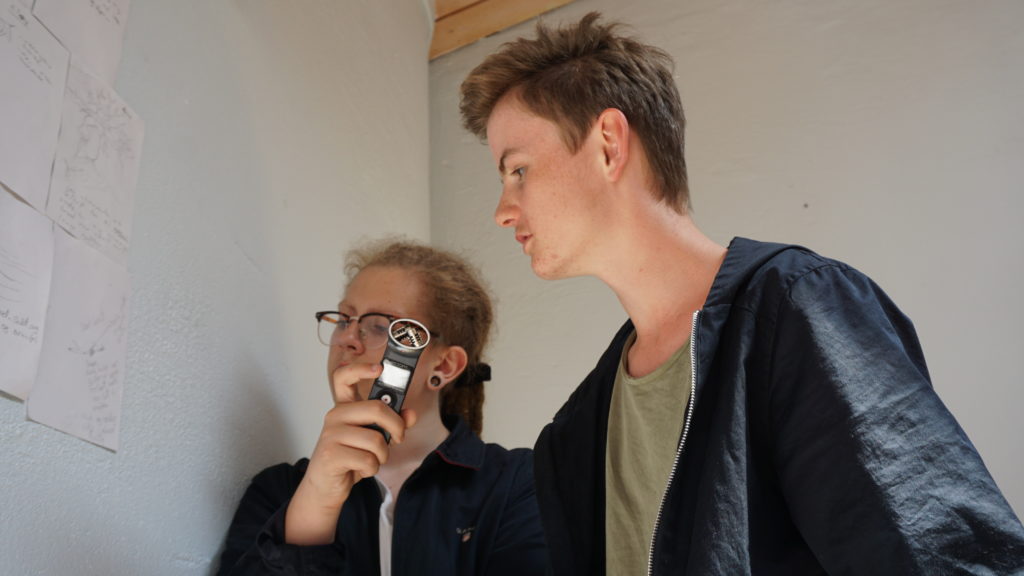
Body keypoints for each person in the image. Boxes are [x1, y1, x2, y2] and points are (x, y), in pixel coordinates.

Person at [459, 12, 1024, 576]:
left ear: (608, 144)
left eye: (519, 171)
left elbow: (946, 561)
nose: (503, 211)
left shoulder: (798, 309)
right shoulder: (577, 430)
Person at [217, 239, 546, 575]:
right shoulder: (280, 491)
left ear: (444, 366)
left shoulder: (517, 483)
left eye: (379, 326)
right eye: (344, 319)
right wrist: (316, 504)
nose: (347, 338)